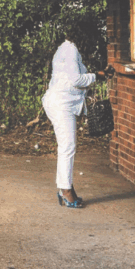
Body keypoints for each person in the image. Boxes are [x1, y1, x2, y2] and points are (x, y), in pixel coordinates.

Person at [42, 31, 108, 209]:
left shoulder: (66, 48)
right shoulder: (70, 50)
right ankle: (65, 191)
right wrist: (97, 76)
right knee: (68, 146)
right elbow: (76, 80)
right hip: (61, 104)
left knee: (67, 146)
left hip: (61, 102)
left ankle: (65, 188)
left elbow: (68, 80)